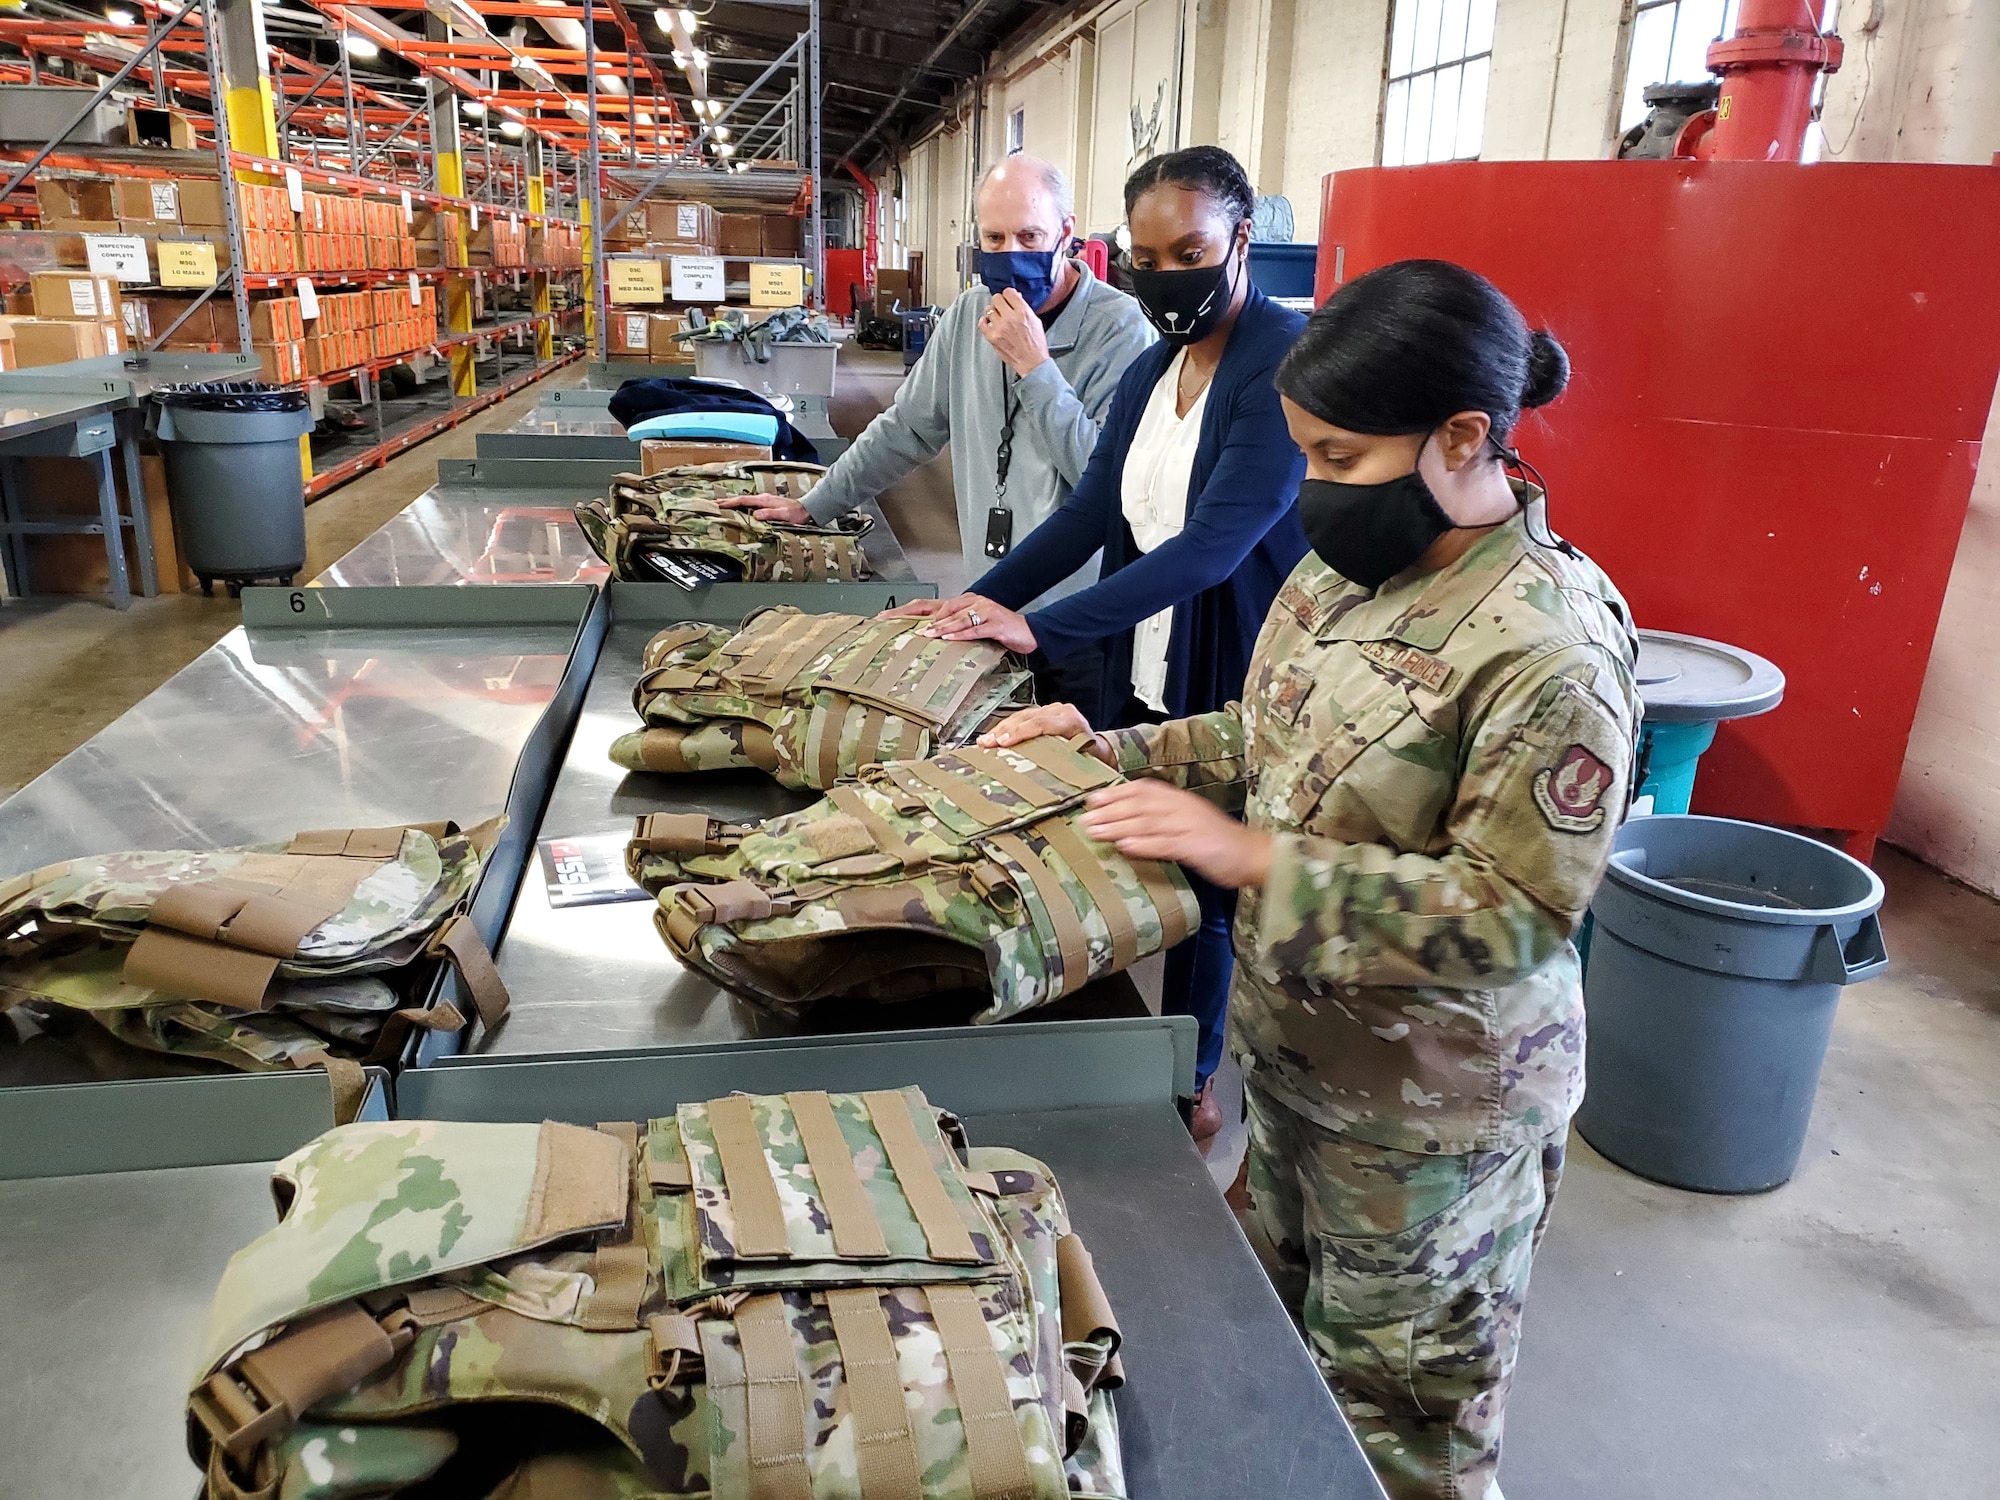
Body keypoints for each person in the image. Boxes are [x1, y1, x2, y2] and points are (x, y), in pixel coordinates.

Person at [981, 260, 1641, 1500]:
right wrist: (1108, 743)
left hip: (1427, 1126)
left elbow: (1512, 915)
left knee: (1398, 1443)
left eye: (1337, 458)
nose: (1312, 488)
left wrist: (1252, 859)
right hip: (1296, 1076)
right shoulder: (1344, 570)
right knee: (1274, 1381)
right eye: (1302, 456)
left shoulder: (1544, 651)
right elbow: (1257, 733)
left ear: (1461, 437)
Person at [895, 145, 1309, 1141]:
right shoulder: (1150, 369)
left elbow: (1212, 549)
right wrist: (974, 604)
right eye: (1148, 256)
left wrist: (1039, 625)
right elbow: (1089, 514)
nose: (1170, 277)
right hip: (1146, 656)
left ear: (1241, 241)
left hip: (1231, 660)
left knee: (1214, 888)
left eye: (1192, 250)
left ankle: (1193, 1078)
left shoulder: (1279, 369)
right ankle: (1149, 1039)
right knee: (1144, 849)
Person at [720, 153, 1154, 704]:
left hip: (1078, 619)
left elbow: (1105, 483)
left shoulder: (1121, 331)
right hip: (990, 600)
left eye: (1029, 236)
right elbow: (907, 427)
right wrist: (815, 503)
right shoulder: (970, 313)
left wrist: (1036, 370)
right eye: (993, 240)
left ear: (1066, 233)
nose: (1011, 255)